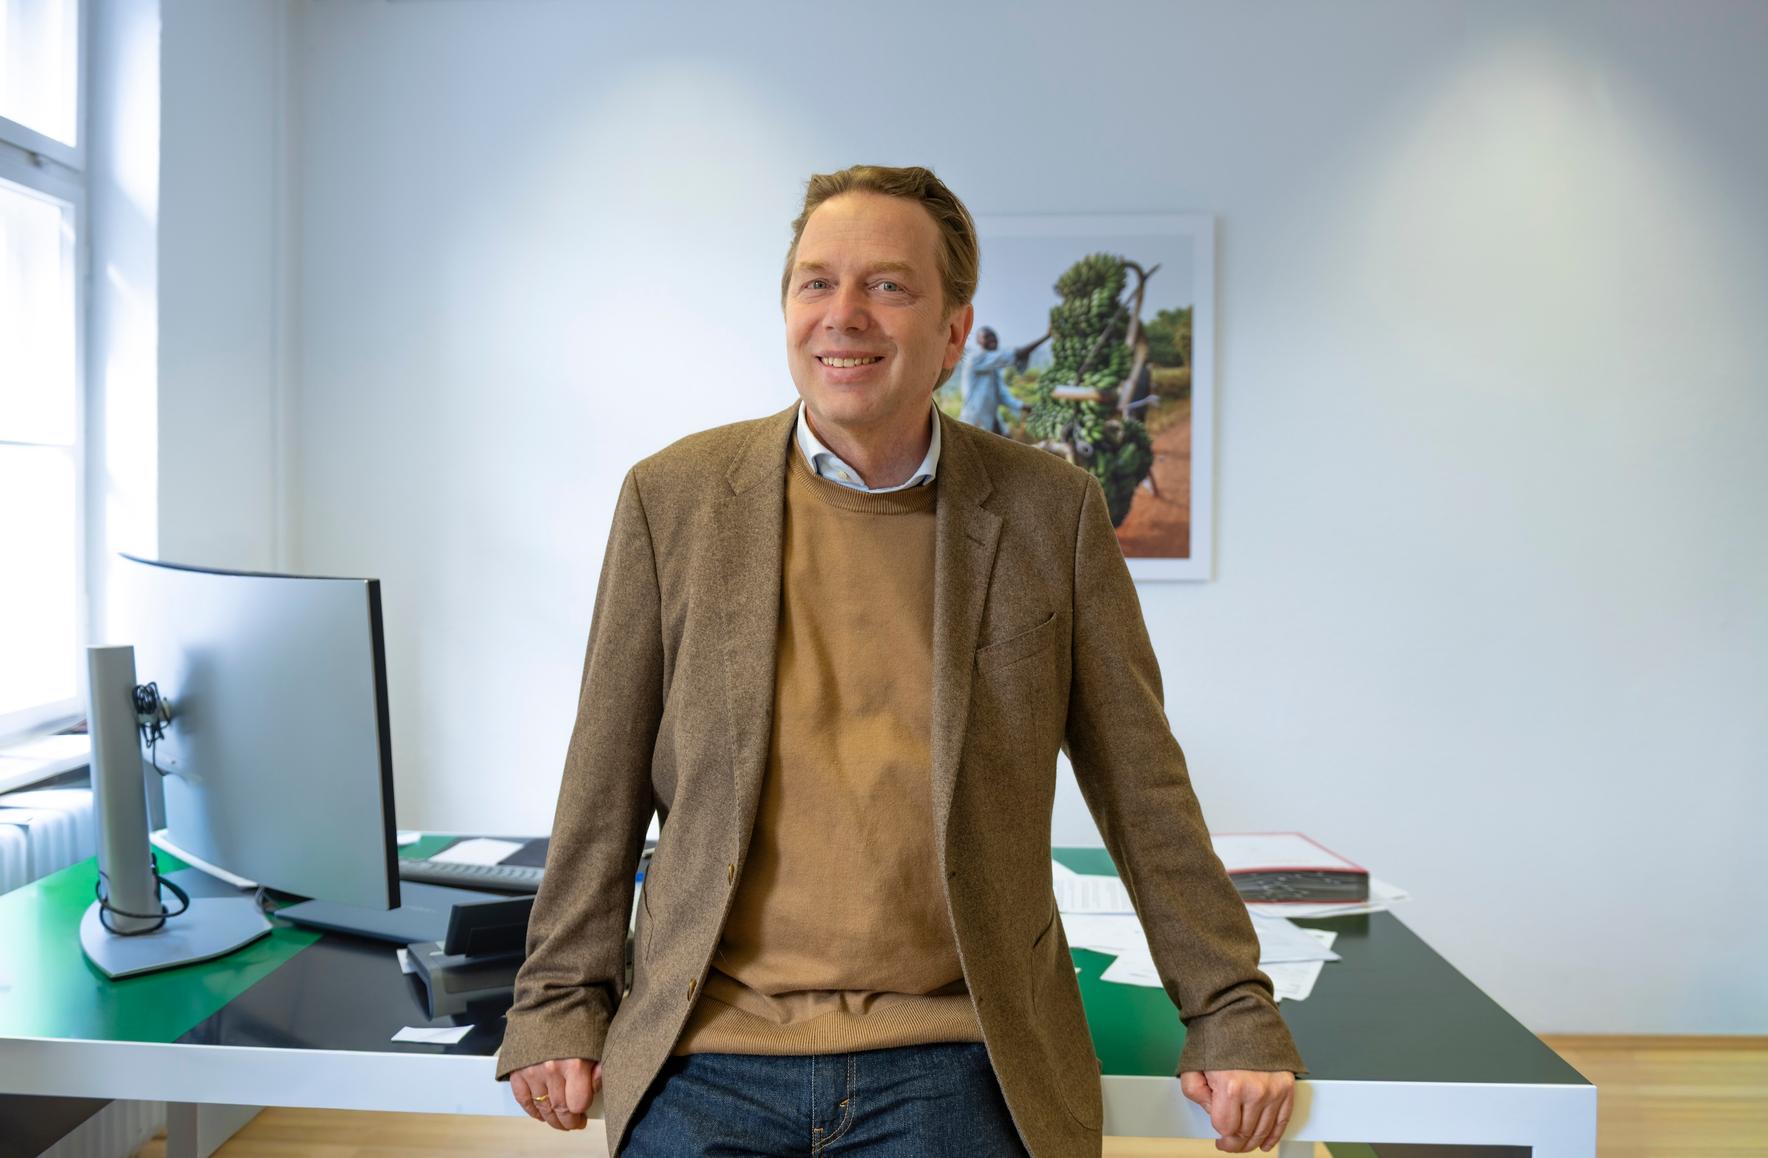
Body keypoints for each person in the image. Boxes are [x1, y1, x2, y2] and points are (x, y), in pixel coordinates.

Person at [495, 164, 1305, 1157]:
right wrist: (559, 997)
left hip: (955, 1052)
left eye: (887, 285)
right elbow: (604, 774)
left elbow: (1142, 786)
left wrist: (1229, 1006)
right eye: (816, 282)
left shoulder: (1049, 513)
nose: (844, 315)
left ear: (955, 334)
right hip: (707, 1050)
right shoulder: (673, 499)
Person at [958, 326, 1026, 434]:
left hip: (990, 417)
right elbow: (1013, 355)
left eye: (993, 336)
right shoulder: (975, 358)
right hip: (974, 418)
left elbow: (1002, 395)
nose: (992, 339)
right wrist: (1046, 337)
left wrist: (1022, 406)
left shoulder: (994, 367)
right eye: (987, 337)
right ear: (978, 341)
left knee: (1004, 439)